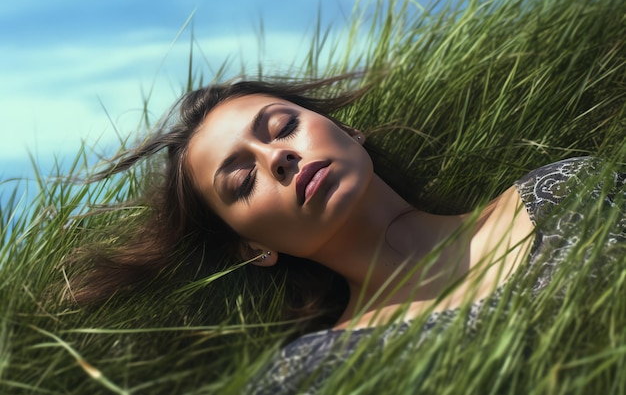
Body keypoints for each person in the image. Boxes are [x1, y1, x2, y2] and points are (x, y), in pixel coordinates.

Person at [69, 75, 626, 394]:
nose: (279, 156)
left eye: (283, 126)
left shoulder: (569, 190)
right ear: (252, 249)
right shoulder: (309, 374)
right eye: (242, 180)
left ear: (347, 130)